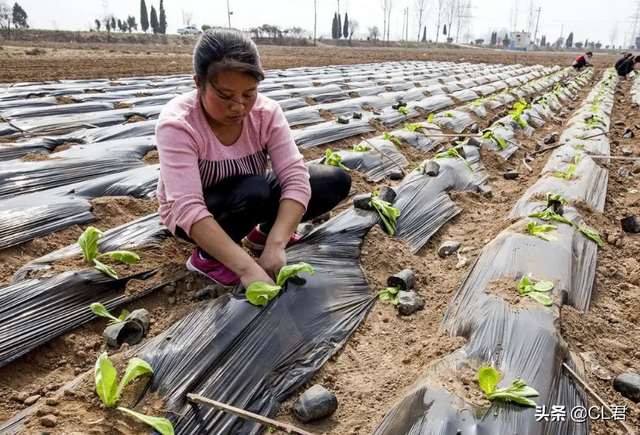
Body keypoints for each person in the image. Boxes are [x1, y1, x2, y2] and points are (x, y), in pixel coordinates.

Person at [155, 29, 352, 288]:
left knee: (333, 180)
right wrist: (247, 268)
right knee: (255, 190)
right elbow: (187, 207)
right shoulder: (179, 124)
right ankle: (206, 257)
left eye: (249, 94)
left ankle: (263, 235)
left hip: (248, 197)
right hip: (196, 218)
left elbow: (294, 178)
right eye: (225, 95)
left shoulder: (265, 114)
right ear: (198, 83)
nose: (238, 106)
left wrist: (277, 244)